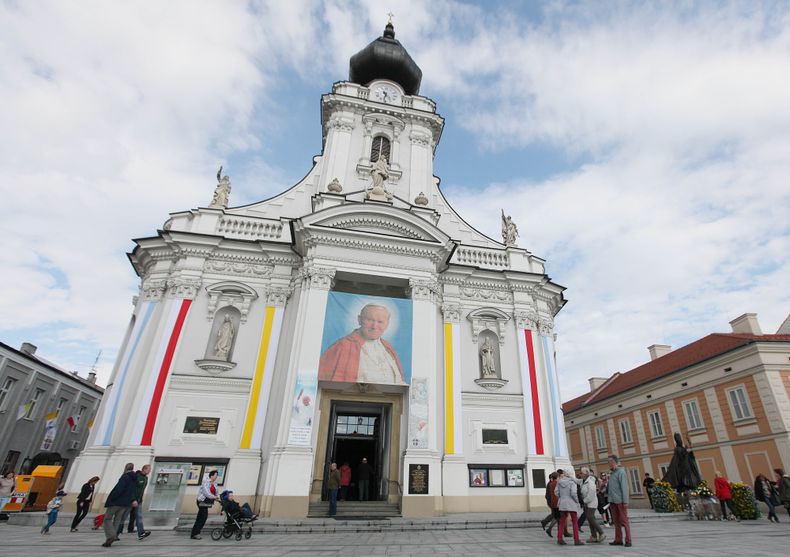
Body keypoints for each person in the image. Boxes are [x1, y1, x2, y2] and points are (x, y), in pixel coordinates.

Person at [318, 304, 405, 384]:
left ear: (387, 324)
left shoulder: (388, 348)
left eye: (380, 322)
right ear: (359, 320)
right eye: (370, 320)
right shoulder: (342, 346)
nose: (374, 326)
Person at [102, 463, 138, 547]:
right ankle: (110, 539)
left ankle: (111, 536)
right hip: (125, 503)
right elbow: (132, 491)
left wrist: (112, 498)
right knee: (117, 520)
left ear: (125, 468)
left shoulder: (125, 477)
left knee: (107, 519)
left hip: (117, 501)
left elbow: (119, 489)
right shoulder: (134, 479)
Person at [606, 455, 632, 547]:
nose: (608, 463)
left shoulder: (621, 472)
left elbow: (624, 487)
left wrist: (625, 501)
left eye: (609, 462)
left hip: (620, 501)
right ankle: (618, 539)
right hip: (612, 501)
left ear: (613, 462)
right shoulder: (612, 473)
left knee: (624, 521)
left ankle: (628, 540)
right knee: (616, 521)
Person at [555, 469, 583, 545]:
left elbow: (556, 492)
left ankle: (559, 539)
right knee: (574, 521)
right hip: (571, 503)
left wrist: (561, 497)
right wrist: (577, 501)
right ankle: (576, 540)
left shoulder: (559, 482)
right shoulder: (572, 482)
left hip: (562, 503)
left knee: (562, 522)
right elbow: (573, 493)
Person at [124, 464, 151, 540]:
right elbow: (132, 489)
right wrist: (133, 499)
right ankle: (115, 533)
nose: (149, 472)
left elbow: (141, 490)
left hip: (139, 501)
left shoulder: (145, 478)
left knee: (139, 516)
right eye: (149, 470)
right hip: (131, 500)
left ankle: (141, 533)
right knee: (124, 516)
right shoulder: (136, 477)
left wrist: (139, 499)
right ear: (144, 469)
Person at [191, 469, 219, 539]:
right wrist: (214, 497)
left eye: (217, 475)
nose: (216, 477)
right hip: (202, 501)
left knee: (200, 517)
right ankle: (196, 533)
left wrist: (217, 496)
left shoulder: (215, 484)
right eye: (216, 475)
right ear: (212, 476)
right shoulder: (206, 482)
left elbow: (216, 492)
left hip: (207, 502)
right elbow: (206, 493)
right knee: (203, 517)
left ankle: (194, 533)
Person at [581, 467, 605, 543]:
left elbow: (590, 495)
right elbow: (576, 481)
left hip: (592, 502)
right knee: (590, 518)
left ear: (585, 474)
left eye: (581, 473)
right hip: (587, 503)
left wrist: (584, 501)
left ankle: (601, 532)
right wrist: (569, 477)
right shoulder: (583, 481)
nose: (580, 474)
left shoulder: (590, 482)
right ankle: (594, 536)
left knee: (590, 517)